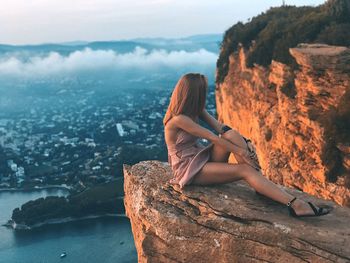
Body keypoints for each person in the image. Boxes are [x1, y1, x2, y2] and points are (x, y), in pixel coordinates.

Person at [163, 72, 330, 218]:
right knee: (245, 169)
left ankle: (260, 185)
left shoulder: (195, 111)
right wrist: (242, 152)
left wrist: (245, 141)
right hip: (188, 170)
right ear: (194, 95)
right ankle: (296, 204)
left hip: (199, 159)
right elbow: (213, 137)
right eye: (203, 92)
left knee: (231, 134)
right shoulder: (179, 120)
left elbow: (221, 128)